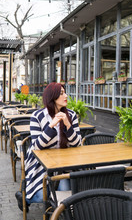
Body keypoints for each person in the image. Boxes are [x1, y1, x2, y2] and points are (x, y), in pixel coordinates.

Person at [15, 82, 82, 212]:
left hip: (63, 164)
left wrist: (68, 125)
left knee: (63, 195)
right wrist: (51, 125)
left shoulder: (71, 115)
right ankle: (24, 198)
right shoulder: (37, 116)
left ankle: (57, 216)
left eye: (65, 92)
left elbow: (77, 143)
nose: (66, 96)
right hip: (40, 163)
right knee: (42, 196)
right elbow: (37, 145)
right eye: (61, 93)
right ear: (52, 97)